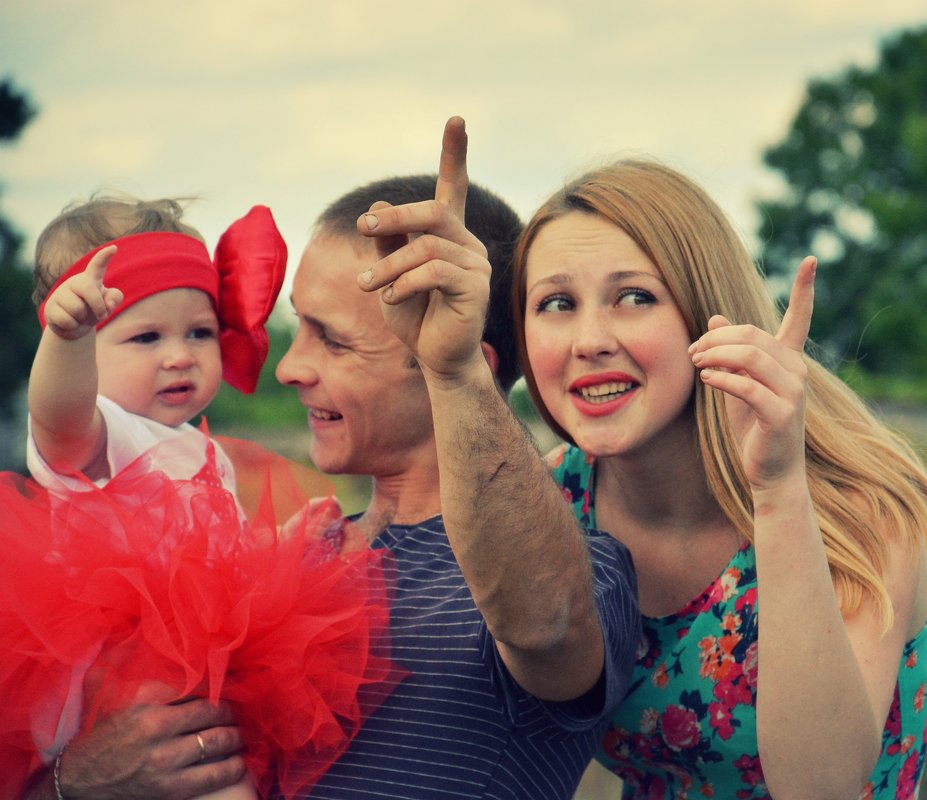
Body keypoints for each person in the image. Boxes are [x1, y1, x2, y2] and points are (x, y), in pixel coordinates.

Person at [511, 159, 927, 800]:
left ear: (707, 314)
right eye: (556, 304)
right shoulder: (549, 504)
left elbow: (822, 788)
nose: (589, 339)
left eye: (634, 296)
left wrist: (778, 493)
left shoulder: (861, 510)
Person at [275, 119, 638, 799]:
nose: (289, 368)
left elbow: (543, 624)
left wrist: (454, 372)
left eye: (333, 341)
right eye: (300, 326)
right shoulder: (298, 548)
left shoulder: (586, 573)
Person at [6, 196, 397, 799]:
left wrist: (285, 544)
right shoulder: (97, 435)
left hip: (186, 667)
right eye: (145, 337)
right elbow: (56, 410)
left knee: (222, 769)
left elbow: (225, 559)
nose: (180, 355)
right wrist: (65, 339)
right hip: (118, 667)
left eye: (199, 332)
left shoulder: (200, 449)